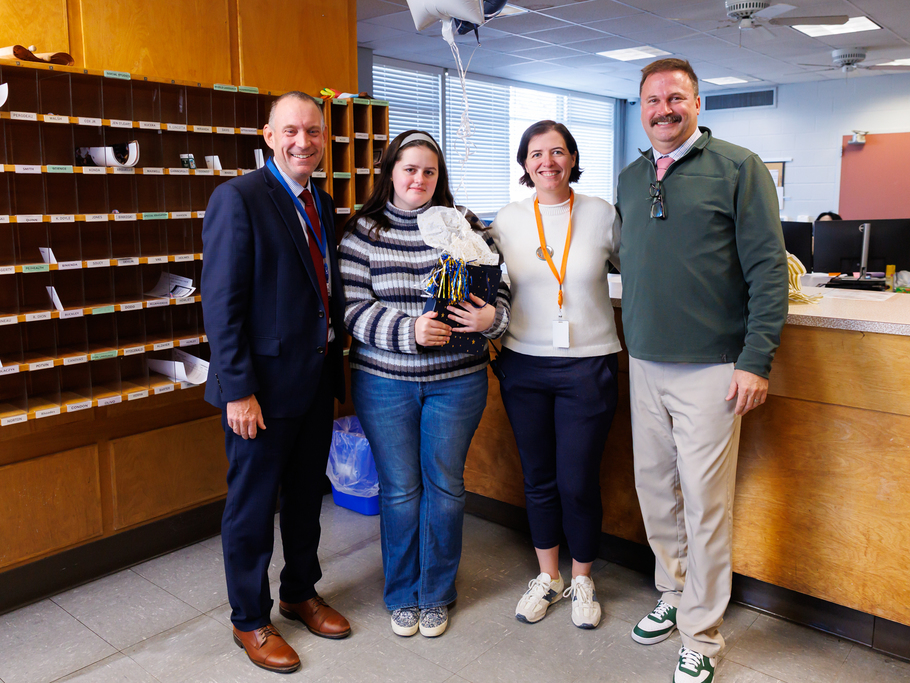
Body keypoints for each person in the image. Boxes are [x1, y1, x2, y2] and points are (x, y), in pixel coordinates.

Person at [616, 58, 788, 683]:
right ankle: (673, 591)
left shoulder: (739, 168)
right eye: (652, 99)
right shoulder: (633, 177)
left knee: (706, 507)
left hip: (714, 370)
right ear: (640, 107)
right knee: (656, 494)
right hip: (645, 364)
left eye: (676, 97)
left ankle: (703, 634)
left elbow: (769, 271)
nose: (663, 108)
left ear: (697, 102)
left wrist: (755, 358)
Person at [339, 130, 510, 638]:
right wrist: (408, 331)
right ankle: (401, 593)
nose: (419, 179)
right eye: (409, 168)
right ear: (390, 171)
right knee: (399, 490)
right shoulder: (362, 233)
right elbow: (352, 309)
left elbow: (499, 286)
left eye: (429, 171)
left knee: (445, 487)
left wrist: (490, 320)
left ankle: (436, 592)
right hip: (383, 382)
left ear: (440, 178)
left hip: (456, 382)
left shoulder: (465, 226)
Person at [202, 91, 351, 674]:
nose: (304, 143)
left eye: (313, 133)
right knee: (251, 507)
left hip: (312, 382)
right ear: (269, 135)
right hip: (258, 393)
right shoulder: (237, 198)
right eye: (292, 131)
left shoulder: (322, 199)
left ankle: (299, 592)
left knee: (305, 503)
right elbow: (223, 303)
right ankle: (249, 618)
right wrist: (237, 389)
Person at [490, 120, 620, 630]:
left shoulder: (602, 215)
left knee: (578, 480)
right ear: (525, 163)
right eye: (536, 153)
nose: (548, 162)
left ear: (572, 158)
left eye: (558, 152)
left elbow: (641, 269)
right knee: (539, 478)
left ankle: (583, 577)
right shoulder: (508, 219)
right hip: (522, 362)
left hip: (588, 365)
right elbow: (488, 282)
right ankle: (549, 576)